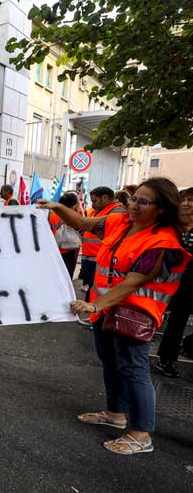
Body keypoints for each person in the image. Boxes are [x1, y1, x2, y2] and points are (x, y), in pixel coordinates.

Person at [38, 178, 190, 455]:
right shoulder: (120, 222)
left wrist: (94, 306)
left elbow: (133, 282)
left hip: (134, 315)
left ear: (161, 208)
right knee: (111, 363)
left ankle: (141, 433)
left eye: (142, 201)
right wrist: (57, 206)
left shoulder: (162, 242)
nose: (133, 205)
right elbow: (84, 224)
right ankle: (115, 413)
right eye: (133, 199)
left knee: (134, 371)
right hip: (107, 310)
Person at [155, 187, 193, 377]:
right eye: (184, 200)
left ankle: (188, 345)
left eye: (191, 200)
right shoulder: (171, 227)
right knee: (176, 322)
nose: (187, 204)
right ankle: (166, 359)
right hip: (174, 282)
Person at [79, 187, 127, 301]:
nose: (93, 204)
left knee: (97, 288)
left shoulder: (117, 211)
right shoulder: (97, 210)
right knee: (91, 287)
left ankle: (94, 311)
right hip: (90, 257)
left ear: (105, 198)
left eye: (94, 200)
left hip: (100, 259)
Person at [48, 191, 83, 277]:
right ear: (74, 204)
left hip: (53, 250)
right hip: (68, 250)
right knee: (66, 276)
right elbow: (81, 231)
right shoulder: (73, 215)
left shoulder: (52, 213)